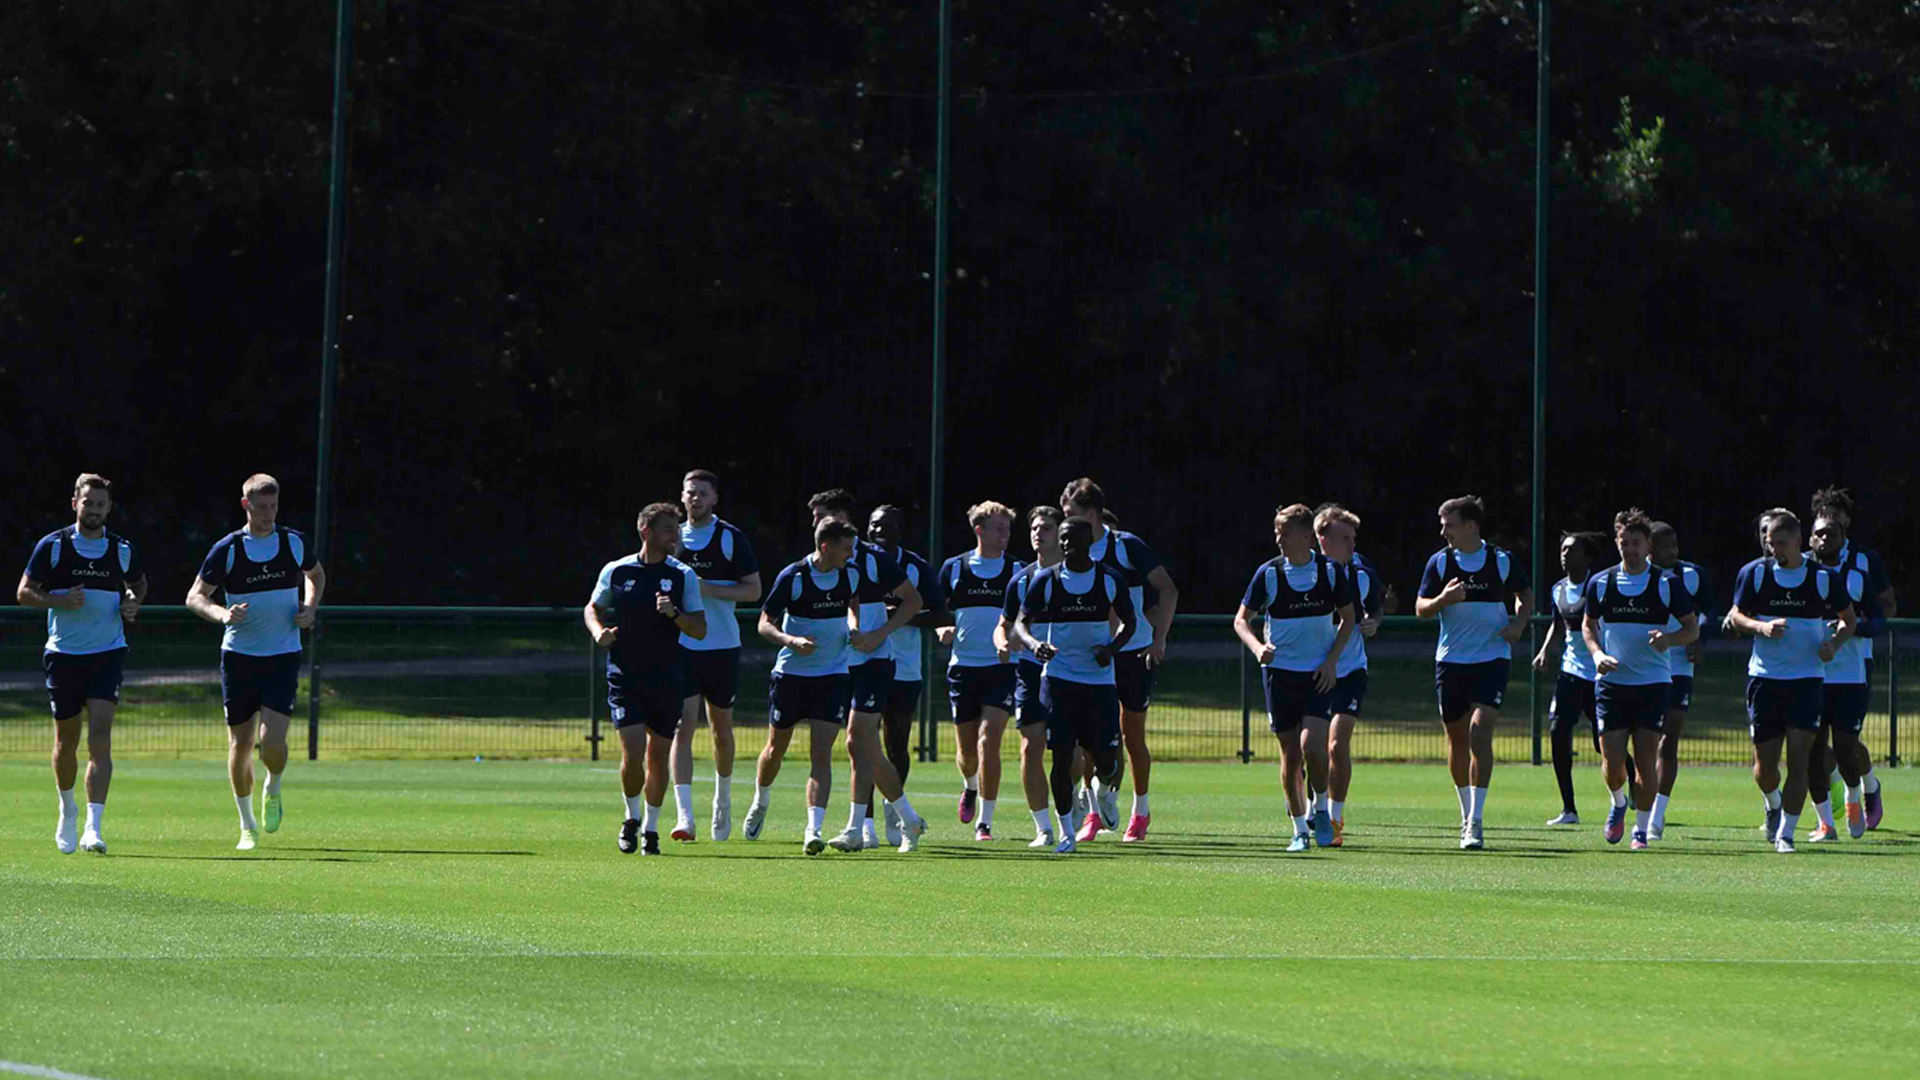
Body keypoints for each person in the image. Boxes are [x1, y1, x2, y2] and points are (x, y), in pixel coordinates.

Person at [744, 518, 926, 854]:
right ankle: (903, 819)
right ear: (825, 544)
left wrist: (867, 633)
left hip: (842, 672)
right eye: (845, 547)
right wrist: (791, 640)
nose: (851, 552)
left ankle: (829, 829)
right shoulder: (794, 576)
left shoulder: (857, 567)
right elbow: (765, 623)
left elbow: (887, 603)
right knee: (777, 750)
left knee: (849, 745)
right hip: (794, 675)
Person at [186, 474, 326, 852]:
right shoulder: (228, 549)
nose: (268, 513)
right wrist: (221, 615)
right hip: (239, 658)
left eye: (273, 506)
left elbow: (316, 575)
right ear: (246, 505)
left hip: (282, 655)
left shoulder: (293, 542)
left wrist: (309, 608)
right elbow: (195, 597)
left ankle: (274, 786)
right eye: (261, 507)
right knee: (241, 744)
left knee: (273, 743)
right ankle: (247, 825)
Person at [17, 473, 147, 854]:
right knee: (66, 740)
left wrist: (131, 603)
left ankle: (94, 826)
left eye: (100, 504)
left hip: (107, 654)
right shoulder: (53, 547)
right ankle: (67, 809)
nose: (94, 510)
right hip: (63, 655)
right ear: (75, 503)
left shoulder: (121, 549)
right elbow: (24, 592)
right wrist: (59, 602)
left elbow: (138, 584)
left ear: (109, 508)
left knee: (100, 738)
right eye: (87, 502)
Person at [1725, 508, 1856, 853]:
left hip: (1807, 681)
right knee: (1764, 768)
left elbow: (1849, 619)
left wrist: (1835, 643)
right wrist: (1761, 627)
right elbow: (1736, 615)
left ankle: (1786, 834)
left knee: (1800, 760)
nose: (1775, 551)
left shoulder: (1822, 578)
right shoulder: (1754, 574)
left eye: (1781, 544)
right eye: (1770, 544)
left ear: (1799, 541)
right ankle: (1772, 803)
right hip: (1765, 680)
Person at [584, 502, 707, 856]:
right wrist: (599, 632)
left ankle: (652, 827)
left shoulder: (683, 575)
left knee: (658, 756)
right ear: (646, 532)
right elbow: (593, 608)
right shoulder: (617, 571)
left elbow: (699, 629)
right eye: (669, 529)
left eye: (677, 529)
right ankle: (631, 817)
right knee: (632, 751)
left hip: (667, 677)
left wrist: (675, 614)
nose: (675, 536)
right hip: (625, 674)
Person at [1059, 478, 1178, 843]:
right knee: (1086, 739)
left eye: (1072, 514)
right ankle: (1093, 811)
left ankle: (1139, 810)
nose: (1068, 523)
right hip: (1092, 659)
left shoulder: (1125, 547)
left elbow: (1168, 589)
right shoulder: (1069, 554)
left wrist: (1159, 640)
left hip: (1133, 654)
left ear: (1092, 514)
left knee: (1132, 736)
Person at [804, 490, 925, 850]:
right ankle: (906, 820)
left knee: (859, 740)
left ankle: (860, 827)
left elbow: (914, 602)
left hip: (875, 663)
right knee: (863, 746)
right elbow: (849, 603)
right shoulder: (824, 563)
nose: (814, 525)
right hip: (840, 666)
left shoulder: (875, 559)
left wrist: (878, 635)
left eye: (822, 516)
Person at [1010, 517, 1137, 853]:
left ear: (1090, 540)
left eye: (1074, 539)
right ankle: (1066, 832)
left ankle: (1103, 786)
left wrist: (1111, 649)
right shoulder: (1047, 580)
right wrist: (1035, 645)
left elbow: (1130, 622)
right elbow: (1021, 623)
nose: (1067, 545)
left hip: (1099, 681)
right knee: (1063, 755)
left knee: (1106, 756)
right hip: (1058, 679)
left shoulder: (1109, 579)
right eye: (1063, 539)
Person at [1235, 504, 1357, 852]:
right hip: (1279, 675)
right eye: (1277, 532)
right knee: (1290, 754)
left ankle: (1320, 810)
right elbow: (1241, 620)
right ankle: (1298, 830)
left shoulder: (1331, 572)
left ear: (1305, 536)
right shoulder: (1269, 574)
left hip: (1317, 675)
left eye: (1284, 533)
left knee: (1313, 747)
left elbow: (1348, 619)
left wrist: (1332, 661)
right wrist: (1258, 648)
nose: (1278, 539)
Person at [1414, 495, 1532, 850]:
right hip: (1451, 662)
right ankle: (1465, 815)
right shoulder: (1439, 563)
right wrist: (1442, 601)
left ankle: (1476, 821)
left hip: (1492, 658)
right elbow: (1421, 608)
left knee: (1480, 733)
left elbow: (1525, 595)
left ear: (1470, 526)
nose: (1443, 531)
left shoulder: (1500, 560)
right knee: (1458, 740)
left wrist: (1519, 625)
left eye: (1448, 524)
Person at [1580, 509, 1698, 850]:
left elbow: (1691, 629)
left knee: (1646, 761)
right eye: (1623, 543)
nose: (1629, 549)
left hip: (1653, 685)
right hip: (1612, 685)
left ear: (1648, 545)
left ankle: (1641, 831)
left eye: (1635, 543)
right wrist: (1597, 654)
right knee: (1612, 761)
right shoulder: (1601, 583)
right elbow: (1588, 625)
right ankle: (1618, 803)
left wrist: (1669, 640)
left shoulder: (1666, 584)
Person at [669, 469, 762, 843]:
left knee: (722, 731)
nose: (695, 499)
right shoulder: (671, 536)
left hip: (722, 646)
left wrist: (706, 588)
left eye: (702, 493)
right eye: (690, 492)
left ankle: (722, 801)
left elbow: (753, 591)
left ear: (714, 499)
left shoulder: (729, 538)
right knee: (682, 729)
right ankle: (684, 816)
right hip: (682, 647)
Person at [1807, 487, 1896, 829]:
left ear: (1846, 522)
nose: (1831, 522)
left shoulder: (1864, 561)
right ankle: (1827, 806)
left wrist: (1854, 624)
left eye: (1837, 515)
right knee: (1812, 741)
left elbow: (1885, 607)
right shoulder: (1804, 563)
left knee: (1847, 741)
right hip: (1813, 664)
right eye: (1824, 515)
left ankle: (1866, 786)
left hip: (1857, 658)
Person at [935, 502, 1022, 840]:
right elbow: (935, 610)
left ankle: (985, 821)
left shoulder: (1018, 570)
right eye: (998, 527)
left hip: (1002, 667)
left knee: (990, 741)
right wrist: (941, 629)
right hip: (963, 670)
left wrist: (1018, 637)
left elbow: (1029, 615)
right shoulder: (954, 568)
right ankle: (970, 785)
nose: (1005, 534)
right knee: (968, 753)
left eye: (1008, 528)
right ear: (979, 530)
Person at [864, 504, 940, 846]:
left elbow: (940, 614)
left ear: (899, 531)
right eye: (873, 525)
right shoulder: (857, 560)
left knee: (897, 744)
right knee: (864, 742)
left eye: (886, 526)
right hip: (865, 663)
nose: (878, 531)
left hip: (905, 668)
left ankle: (894, 810)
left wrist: (903, 615)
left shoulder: (917, 567)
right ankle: (862, 822)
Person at [1312, 504, 1383, 847]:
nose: (1352, 546)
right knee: (1307, 749)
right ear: (1322, 538)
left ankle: (1335, 817)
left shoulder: (1362, 572)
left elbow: (1375, 609)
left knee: (1337, 746)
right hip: (1309, 672)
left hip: (1350, 669)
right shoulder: (1301, 572)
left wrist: (1373, 623)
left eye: (1353, 539)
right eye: (1345, 539)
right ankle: (1313, 808)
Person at [996, 506, 1066, 847]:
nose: (1039, 533)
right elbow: (1005, 625)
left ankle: (1081, 802)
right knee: (1030, 747)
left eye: (1047, 528)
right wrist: (1001, 644)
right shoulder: (1020, 580)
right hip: (1028, 670)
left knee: (1072, 749)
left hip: (1070, 673)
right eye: (1035, 528)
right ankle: (1043, 827)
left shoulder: (1078, 574)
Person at [1807, 511, 1871, 841]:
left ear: (1842, 539)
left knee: (1846, 748)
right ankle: (1825, 824)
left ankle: (1853, 797)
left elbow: (1877, 619)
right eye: (1818, 534)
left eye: (1830, 534)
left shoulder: (1857, 576)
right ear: (1809, 539)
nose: (1824, 540)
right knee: (1813, 752)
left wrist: (1849, 629)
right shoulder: (1799, 573)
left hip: (1848, 675)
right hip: (1808, 676)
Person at [1533, 532, 1602, 826]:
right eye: (1562, 549)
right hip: (1570, 672)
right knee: (1558, 733)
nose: (1564, 554)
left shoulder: (1599, 586)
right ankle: (1569, 809)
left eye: (1572, 550)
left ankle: (1633, 778)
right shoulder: (1558, 589)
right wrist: (1545, 651)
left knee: (1604, 744)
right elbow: (1557, 625)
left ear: (1587, 557)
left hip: (1599, 675)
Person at [1647, 521, 1706, 839]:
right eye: (1663, 547)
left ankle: (1657, 814)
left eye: (1674, 546)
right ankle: (1635, 795)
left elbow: (1706, 611)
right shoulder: (1632, 578)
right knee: (1642, 743)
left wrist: (1699, 638)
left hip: (1679, 668)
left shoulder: (1691, 575)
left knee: (1668, 742)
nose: (1672, 553)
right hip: (1641, 669)